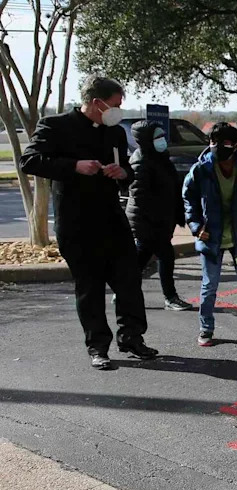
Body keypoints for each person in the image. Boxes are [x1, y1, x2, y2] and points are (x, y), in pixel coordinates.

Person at [19, 76, 158, 370]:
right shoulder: (55, 126)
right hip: (77, 224)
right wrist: (73, 166)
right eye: (116, 104)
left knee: (129, 281)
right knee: (90, 287)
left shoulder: (115, 133)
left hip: (112, 219)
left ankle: (132, 337)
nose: (119, 110)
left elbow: (128, 174)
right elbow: (29, 160)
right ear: (97, 103)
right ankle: (98, 347)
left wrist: (123, 175)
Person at [183, 122, 237, 347]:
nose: (218, 147)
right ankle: (206, 330)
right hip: (211, 237)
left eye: (224, 143)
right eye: (213, 142)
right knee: (209, 286)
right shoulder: (201, 169)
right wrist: (196, 227)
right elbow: (188, 198)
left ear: (236, 145)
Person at [126, 120, 191, 312]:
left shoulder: (161, 157)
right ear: (145, 140)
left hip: (161, 219)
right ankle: (170, 297)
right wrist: (159, 220)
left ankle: (123, 291)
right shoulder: (140, 162)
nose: (162, 140)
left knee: (142, 256)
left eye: (163, 136)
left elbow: (171, 187)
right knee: (165, 256)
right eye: (157, 137)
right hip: (148, 221)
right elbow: (141, 196)